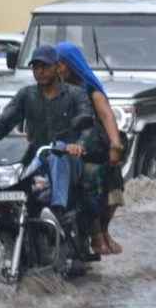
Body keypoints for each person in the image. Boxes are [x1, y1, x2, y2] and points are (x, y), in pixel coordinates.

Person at [0, 44, 93, 220]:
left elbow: (87, 125)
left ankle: (57, 211)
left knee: (57, 147)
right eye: (36, 66)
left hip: (68, 159)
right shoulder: (25, 95)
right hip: (35, 162)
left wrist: (79, 145)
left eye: (45, 66)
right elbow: (4, 122)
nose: (40, 71)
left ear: (57, 67)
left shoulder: (76, 94)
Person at [53, 41, 126, 255]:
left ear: (71, 65)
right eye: (54, 65)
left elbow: (107, 117)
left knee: (106, 185)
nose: (57, 69)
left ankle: (101, 231)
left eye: (61, 64)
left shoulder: (91, 91)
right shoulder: (55, 90)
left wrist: (115, 146)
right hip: (64, 147)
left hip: (94, 149)